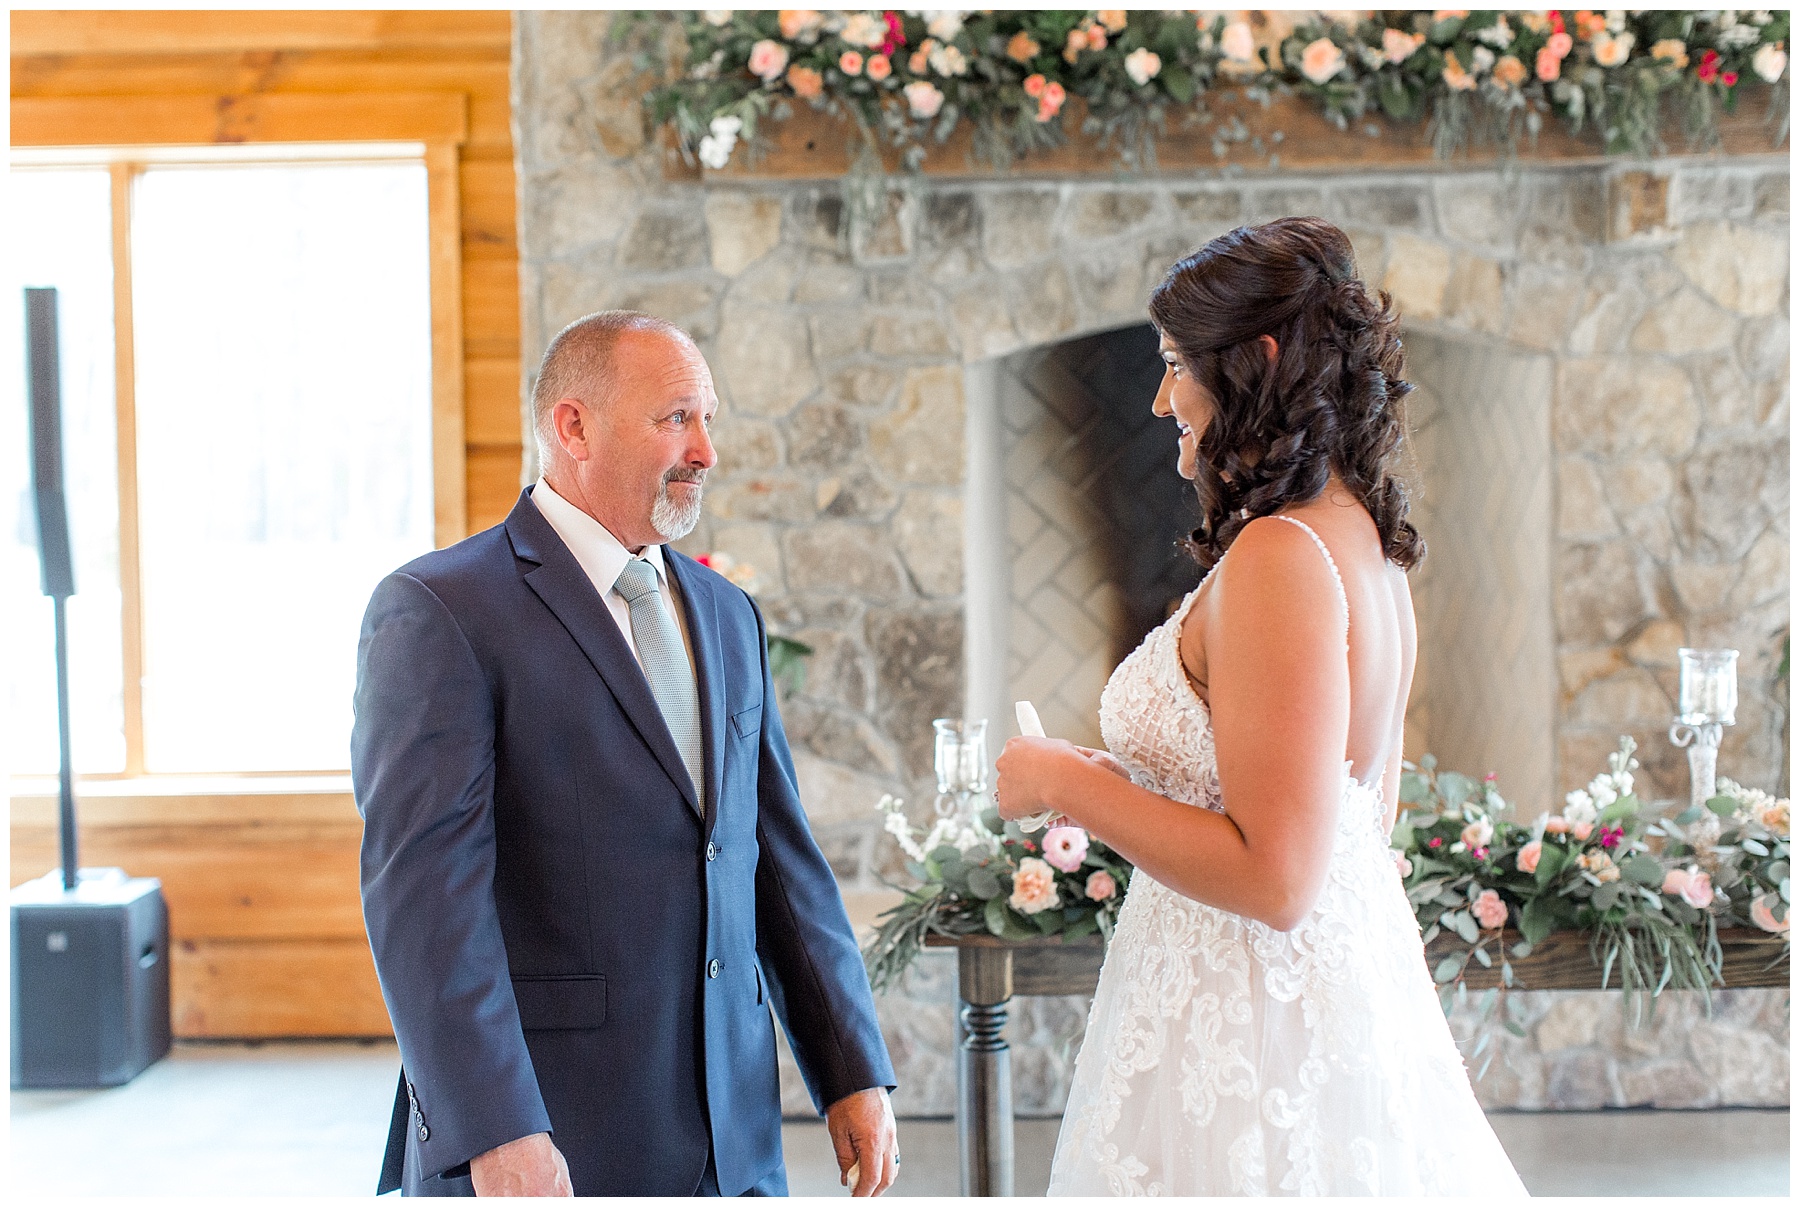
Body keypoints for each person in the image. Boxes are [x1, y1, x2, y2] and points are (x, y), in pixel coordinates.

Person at [994, 218, 1528, 1196]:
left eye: (1174, 365)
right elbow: (1351, 824)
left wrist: (1064, 778)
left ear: (1259, 359)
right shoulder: (1358, 541)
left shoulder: (1283, 556)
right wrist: (1132, 786)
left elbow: (1280, 878)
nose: (1161, 400)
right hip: (1277, 1006)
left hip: (1249, 1034)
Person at [353, 311, 899, 1197]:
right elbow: (425, 906)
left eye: (708, 418)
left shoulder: (727, 614)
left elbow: (775, 860)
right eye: (677, 418)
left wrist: (850, 1064)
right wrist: (499, 1130)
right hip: (552, 1136)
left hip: (736, 1135)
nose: (706, 451)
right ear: (573, 427)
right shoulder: (439, 611)